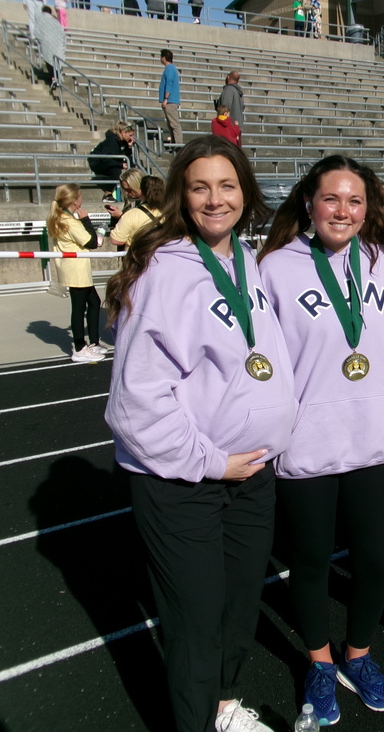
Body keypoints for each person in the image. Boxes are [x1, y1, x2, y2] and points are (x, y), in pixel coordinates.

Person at [104, 136, 295, 732]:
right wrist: (213, 462)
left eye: (228, 185)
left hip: (251, 474)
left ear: (246, 191)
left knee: (239, 608)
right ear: (182, 197)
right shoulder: (164, 271)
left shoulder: (247, 258)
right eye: (200, 187)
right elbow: (135, 402)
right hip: (185, 480)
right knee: (194, 618)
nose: (216, 199)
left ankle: (222, 705)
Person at [258, 155, 384, 726]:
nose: (343, 211)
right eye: (331, 199)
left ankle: (358, 655)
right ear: (308, 204)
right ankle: (319, 661)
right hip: (308, 441)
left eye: (355, 201)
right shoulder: (274, 267)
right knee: (312, 561)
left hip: (373, 437)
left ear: (369, 209)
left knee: (374, 560)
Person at [47, 184, 107, 363]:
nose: (82, 198)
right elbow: (90, 242)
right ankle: (79, 347)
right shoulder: (69, 221)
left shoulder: (63, 217)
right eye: (80, 196)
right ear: (75, 200)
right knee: (79, 308)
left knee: (94, 302)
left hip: (77, 267)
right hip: (76, 269)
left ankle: (93, 342)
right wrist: (86, 219)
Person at [109, 173, 163, 249]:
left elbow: (117, 239)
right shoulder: (167, 208)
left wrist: (122, 216)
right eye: (125, 190)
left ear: (138, 186)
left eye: (129, 190)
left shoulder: (134, 211)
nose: (127, 193)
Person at [88, 121, 134, 201]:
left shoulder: (122, 142)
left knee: (132, 165)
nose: (131, 138)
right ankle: (107, 194)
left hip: (108, 161)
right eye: (130, 135)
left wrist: (129, 147)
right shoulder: (111, 141)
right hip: (98, 162)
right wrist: (120, 165)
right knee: (116, 171)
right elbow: (107, 159)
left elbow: (125, 156)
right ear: (123, 133)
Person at [159, 48, 182, 145]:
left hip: (170, 101)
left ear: (164, 58)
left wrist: (166, 98)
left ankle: (178, 144)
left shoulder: (170, 69)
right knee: (171, 124)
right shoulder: (170, 68)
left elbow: (169, 83)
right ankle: (174, 143)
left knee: (174, 124)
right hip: (170, 100)